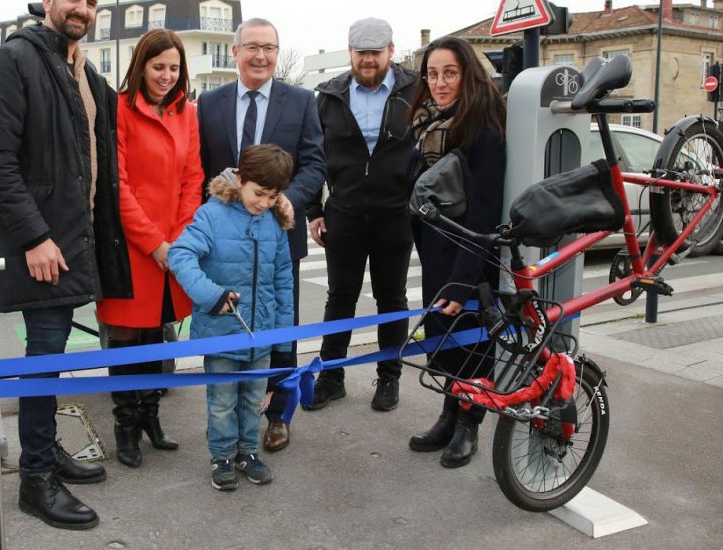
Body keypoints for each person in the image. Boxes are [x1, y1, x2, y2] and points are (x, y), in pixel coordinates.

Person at [0, 0, 130, 530]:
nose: (82, 8)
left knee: (52, 355)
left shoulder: (80, 68)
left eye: (91, 1)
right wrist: (35, 237)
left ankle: (46, 451)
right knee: (42, 357)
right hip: (40, 246)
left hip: (71, 239)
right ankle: (35, 478)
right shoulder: (10, 61)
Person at [197, 17, 325, 453]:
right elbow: (199, 169)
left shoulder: (302, 101)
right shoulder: (209, 104)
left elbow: (315, 164)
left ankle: (277, 417)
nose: (261, 56)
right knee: (229, 330)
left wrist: (292, 198)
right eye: (251, 46)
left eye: (269, 47)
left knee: (280, 328)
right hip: (224, 246)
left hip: (278, 237)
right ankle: (226, 421)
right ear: (234, 52)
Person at [95, 29, 204, 469]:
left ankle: (151, 419)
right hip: (129, 246)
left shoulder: (186, 113)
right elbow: (116, 186)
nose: (166, 75)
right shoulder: (119, 109)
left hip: (171, 248)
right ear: (141, 66)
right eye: (158, 66)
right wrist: (154, 242)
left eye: (174, 68)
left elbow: (193, 180)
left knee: (158, 333)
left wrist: (177, 241)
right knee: (125, 340)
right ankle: (125, 426)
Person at [305, 18, 421, 412]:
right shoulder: (329, 97)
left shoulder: (415, 90)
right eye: (362, 52)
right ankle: (331, 376)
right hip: (345, 214)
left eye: (376, 51)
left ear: (391, 50)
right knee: (340, 298)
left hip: (395, 214)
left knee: (392, 299)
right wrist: (313, 211)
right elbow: (313, 157)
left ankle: (389, 378)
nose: (368, 59)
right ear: (350, 51)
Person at [167, 144, 295, 491]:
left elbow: (283, 279)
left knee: (254, 398)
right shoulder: (212, 215)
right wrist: (212, 295)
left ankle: (248, 452)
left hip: (262, 334)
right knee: (222, 400)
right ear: (240, 179)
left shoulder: (274, 222)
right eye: (259, 193)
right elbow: (180, 255)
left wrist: (283, 337)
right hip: (222, 333)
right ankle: (222, 455)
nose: (265, 203)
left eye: (273, 196)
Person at [406, 36, 506, 468]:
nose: (440, 82)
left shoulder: (484, 126)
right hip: (435, 248)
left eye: (449, 73)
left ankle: (469, 425)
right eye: (432, 74)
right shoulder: (428, 121)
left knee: (472, 342)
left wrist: (465, 278)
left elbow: (484, 211)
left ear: (467, 74)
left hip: (471, 255)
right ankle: (449, 413)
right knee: (442, 340)